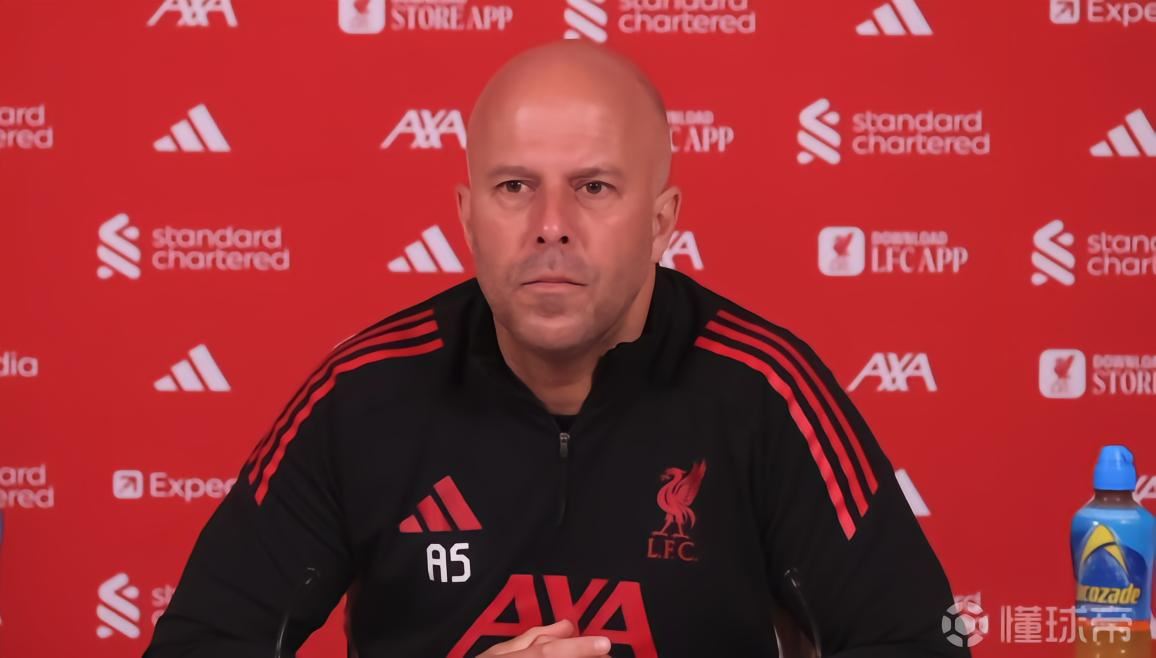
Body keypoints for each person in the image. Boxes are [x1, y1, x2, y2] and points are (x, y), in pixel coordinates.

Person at [144, 40, 968, 658]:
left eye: (593, 187)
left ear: (662, 221)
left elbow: (917, 645)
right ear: (467, 216)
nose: (550, 225)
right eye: (514, 187)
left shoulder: (766, 392)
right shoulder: (363, 395)